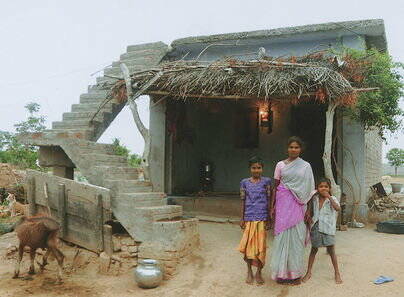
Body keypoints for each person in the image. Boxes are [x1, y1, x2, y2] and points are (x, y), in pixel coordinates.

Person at [270, 136, 315, 285]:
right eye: (291, 147)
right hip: (283, 205)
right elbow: (275, 187)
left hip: (299, 205)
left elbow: (309, 189)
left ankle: (295, 275)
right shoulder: (280, 165)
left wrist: (309, 209)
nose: (293, 149)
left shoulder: (306, 166)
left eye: (296, 147)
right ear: (287, 148)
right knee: (282, 238)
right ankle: (281, 274)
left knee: (296, 239)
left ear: (300, 149)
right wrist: (272, 206)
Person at [238, 156, 272, 285]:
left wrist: (269, 218)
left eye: (259, 167)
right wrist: (241, 218)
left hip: (262, 218)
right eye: (254, 168)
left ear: (262, 168)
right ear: (249, 169)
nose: (256, 170)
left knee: (260, 247)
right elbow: (242, 201)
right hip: (249, 218)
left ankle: (259, 271)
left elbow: (269, 200)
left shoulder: (267, 182)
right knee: (248, 247)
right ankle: (249, 271)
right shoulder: (244, 182)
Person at [302, 178, 343, 284]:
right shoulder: (314, 198)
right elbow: (309, 209)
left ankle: (337, 273)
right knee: (314, 249)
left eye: (326, 186)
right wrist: (308, 216)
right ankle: (309, 272)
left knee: (331, 250)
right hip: (316, 227)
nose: (323, 188)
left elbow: (338, 208)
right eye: (321, 186)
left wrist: (329, 196)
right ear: (317, 188)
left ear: (329, 188)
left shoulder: (332, 198)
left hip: (328, 228)